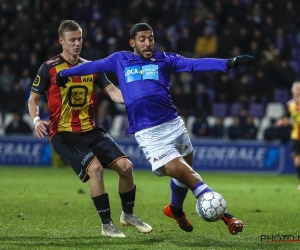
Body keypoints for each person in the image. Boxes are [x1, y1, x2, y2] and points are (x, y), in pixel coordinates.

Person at [56, 22, 254, 235]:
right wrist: (66, 74)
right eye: (142, 39)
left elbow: (194, 64)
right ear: (132, 43)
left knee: (183, 176)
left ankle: (175, 210)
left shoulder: (165, 60)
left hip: (175, 125)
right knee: (188, 175)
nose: (148, 43)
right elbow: (93, 66)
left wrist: (228, 63)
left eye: (150, 38)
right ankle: (225, 214)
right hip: (150, 134)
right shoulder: (120, 60)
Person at [27, 20, 152, 238]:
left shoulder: (91, 66)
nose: (77, 44)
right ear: (61, 41)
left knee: (126, 167)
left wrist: (135, 98)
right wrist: (37, 119)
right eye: (72, 40)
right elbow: (33, 99)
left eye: (80, 39)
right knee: (95, 169)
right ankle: (107, 225)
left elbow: (113, 92)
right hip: (64, 134)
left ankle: (128, 214)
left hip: (91, 130)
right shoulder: (49, 68)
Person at [277, 82, 300, 189]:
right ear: (292, 90)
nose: (297, 89)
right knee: (297, 160)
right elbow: (287, 119)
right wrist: (281, 122)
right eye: (296, 87)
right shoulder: (290, 105)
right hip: (296, 135)